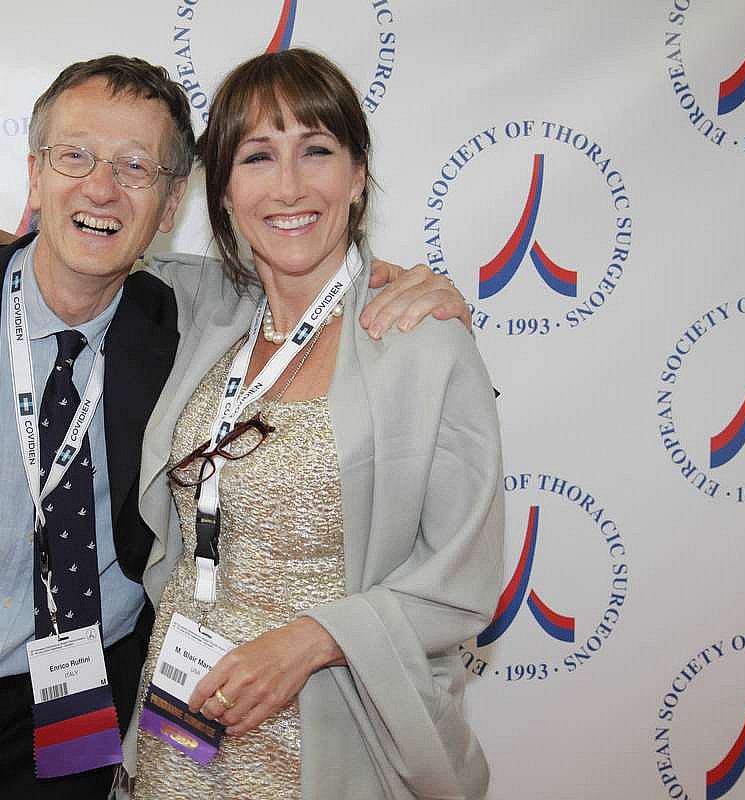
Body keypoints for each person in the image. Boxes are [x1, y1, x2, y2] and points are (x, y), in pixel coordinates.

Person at [0, 56, 466, 800]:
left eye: (135, 167)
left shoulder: (182, 327)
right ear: (35, 174)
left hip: (71, 736)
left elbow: (303, 266)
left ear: (172, 201)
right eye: (75, 157)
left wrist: (410, 285)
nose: (102, 187)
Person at [126, 49, 503, 799]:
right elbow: (86, 247)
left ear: (358, 175)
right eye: (258, 156)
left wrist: (312, 641)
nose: (290, 186)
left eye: (317, 151)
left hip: (337, 735)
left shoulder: (423, 342)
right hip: (182, 729)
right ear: (223, 191)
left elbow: (461, 580)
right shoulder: (205, 315)